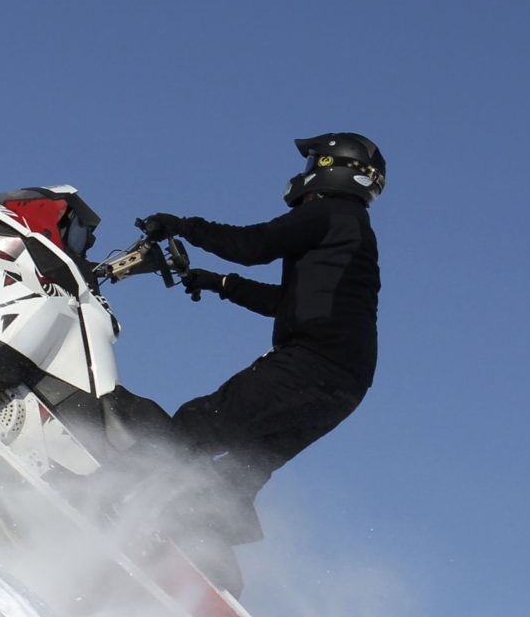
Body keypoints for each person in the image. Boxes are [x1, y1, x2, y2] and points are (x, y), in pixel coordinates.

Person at [142, 132, 385, 548]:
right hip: (345, 388)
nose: (304, 173)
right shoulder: (352, 231)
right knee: (242, 469)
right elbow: (289, 303)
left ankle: (109, 490)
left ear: (333, 170)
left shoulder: (332, 212)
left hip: (311, 364)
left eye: (313, 164)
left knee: (200, 423)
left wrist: (183, 226)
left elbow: (254, 245)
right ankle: (199, 549)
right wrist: (220, 284)